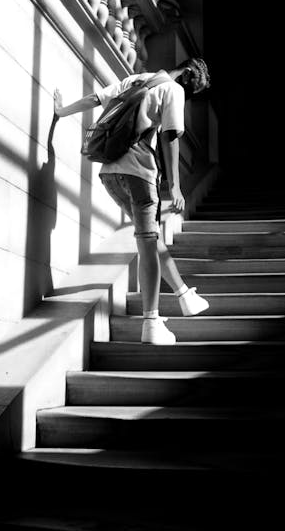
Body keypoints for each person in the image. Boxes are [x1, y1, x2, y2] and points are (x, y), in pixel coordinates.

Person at [53, 58, 211, 344]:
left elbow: (94, 98)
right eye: (191, 90)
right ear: (187, 75)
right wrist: (175, 186)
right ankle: (151, 322)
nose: (186, 96)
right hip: (138, 173)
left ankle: (184, 294)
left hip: (110, 175)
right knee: (148, 242)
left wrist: (62, 111)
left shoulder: (138, 79)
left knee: (148, 236)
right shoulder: (173, 89)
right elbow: (170, 137)